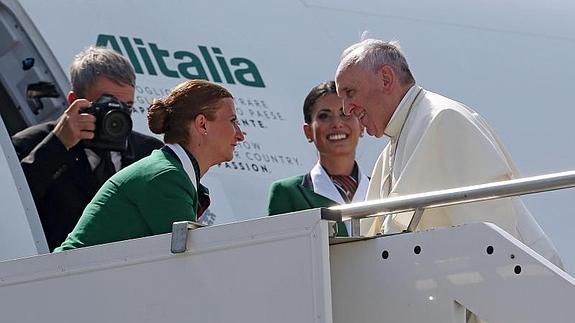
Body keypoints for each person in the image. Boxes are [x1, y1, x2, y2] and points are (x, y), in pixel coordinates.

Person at [335, 39, 563, 267]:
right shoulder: (392, 148)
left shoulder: (444, 120)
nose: (346, 108)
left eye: (350, 92)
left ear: (386, 79)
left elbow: (492, 235)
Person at [54, 79, 244, 251]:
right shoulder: (166, 177)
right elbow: (193, 267)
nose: (240, 135)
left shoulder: (169, 172)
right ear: (202, 124)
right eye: (233, 121)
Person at [12, 47, 163, 251]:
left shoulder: (149, 152)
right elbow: (14, 208)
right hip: (58, 273)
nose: (117, 114)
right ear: (74, 101)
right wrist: (58, 144)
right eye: (108, 104)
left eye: (126, 107)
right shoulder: (29, 144)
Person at [267, 81, 369, 236]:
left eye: (345, 114)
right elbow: (281, 255)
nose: (337, 124)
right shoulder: (288, 193)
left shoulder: (384, 189)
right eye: (324, 116)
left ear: (361, 125)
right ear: (308, 131)